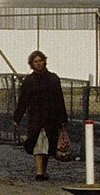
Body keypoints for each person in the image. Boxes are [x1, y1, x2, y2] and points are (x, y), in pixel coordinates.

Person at [12, 50, 68, 181]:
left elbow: (59, 99)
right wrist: (17, 117)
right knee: (37, 143)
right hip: (36, 118)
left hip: (51, 117)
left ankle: (44, 170)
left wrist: (62, 119)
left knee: (48, 144)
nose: (38, 64)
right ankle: (39, 171)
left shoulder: (53, 79)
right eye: (35, 62)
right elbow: (23, 100)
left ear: (44, 61)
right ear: (32, 64)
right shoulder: (29, 81)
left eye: (40, 61)